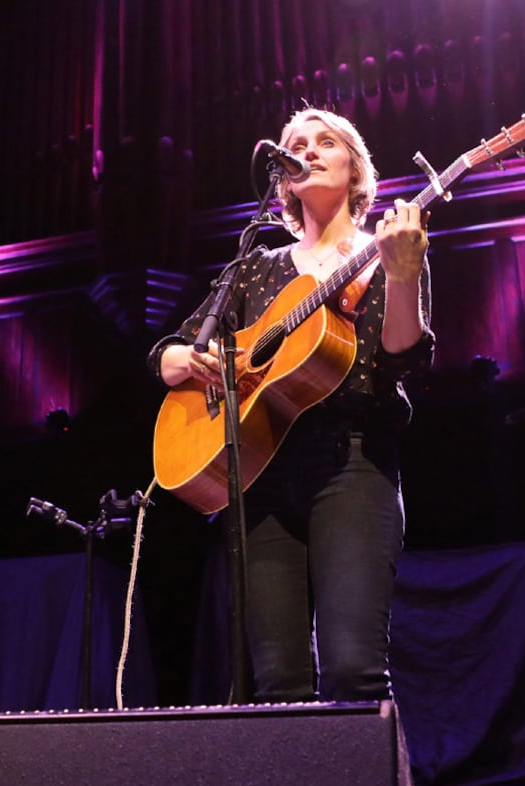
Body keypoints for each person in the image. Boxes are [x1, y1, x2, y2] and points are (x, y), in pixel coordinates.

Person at [149, 108, 432, 703]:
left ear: (356, 171)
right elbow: (173, 352)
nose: (308, 150)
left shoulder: (387, 251)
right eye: (295, 145)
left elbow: (402, 364)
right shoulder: (255, 267)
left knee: (353, 669)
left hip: (351, 464)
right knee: (277, 681)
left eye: (325, 142)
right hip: (258, 472)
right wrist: (179, 360)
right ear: (281, 178)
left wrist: (405, 277)